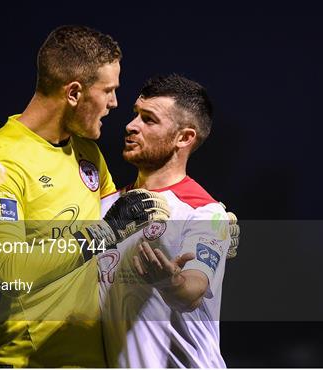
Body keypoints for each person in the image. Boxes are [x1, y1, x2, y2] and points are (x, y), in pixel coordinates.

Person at [0, 25, 170, 368]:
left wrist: (199, 222)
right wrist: (103, 233)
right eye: (108, 91)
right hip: (19, 360)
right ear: (74, 93)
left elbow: (124, 224)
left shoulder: (88, 152)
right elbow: (11, 270)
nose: (114, 103)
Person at [98, 74, 233, 367]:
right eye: (135, 114)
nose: (131, 126)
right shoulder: (105, 207)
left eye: (149, 120)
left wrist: (171, 282)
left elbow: (193, 290)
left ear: (184, 137)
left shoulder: (204, 213)